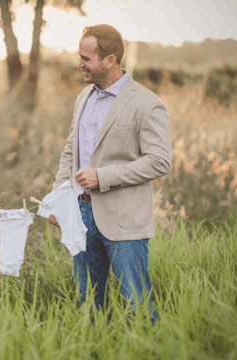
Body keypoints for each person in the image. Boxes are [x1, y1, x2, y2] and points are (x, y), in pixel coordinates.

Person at [49, 24, 172, 324]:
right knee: (87, 304)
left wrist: (103, 177)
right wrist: (57, 198)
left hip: (124, 221)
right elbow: (70, 151)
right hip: (81, 216)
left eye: (86, 58)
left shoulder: (147, 103)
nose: (80, 64)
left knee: (137, 305)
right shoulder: (83, 98)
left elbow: (159, 161)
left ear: (110, 61)